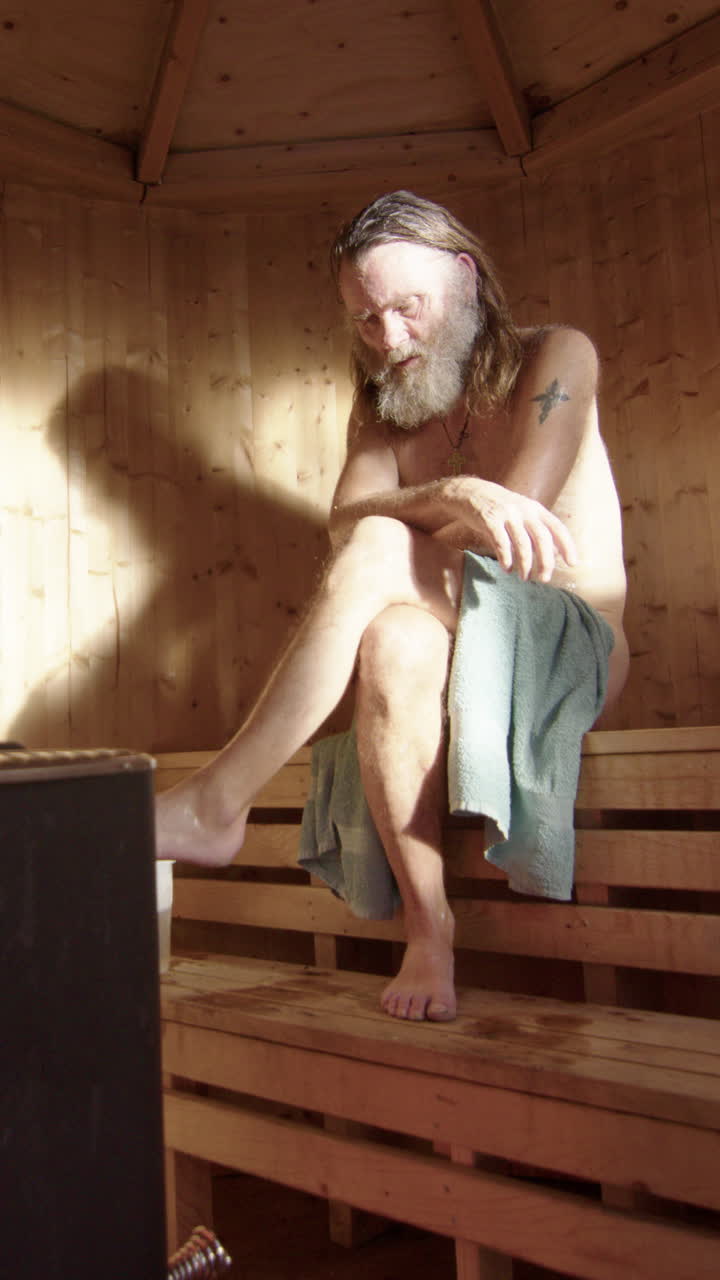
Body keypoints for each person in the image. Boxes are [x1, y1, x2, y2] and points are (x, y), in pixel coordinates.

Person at [156, 190, 629, 1024]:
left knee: (381, 546)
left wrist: (414, 512)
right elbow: (343, 521)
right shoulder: (385, 404)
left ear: (466, 276)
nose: (390, 337)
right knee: (391, 639)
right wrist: (447, 490)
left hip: (565, 638)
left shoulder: (557, 357)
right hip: (452, 630)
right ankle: (429, 929)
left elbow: (509, 533)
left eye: (408, 307)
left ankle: (215, 803)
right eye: (367, 319)